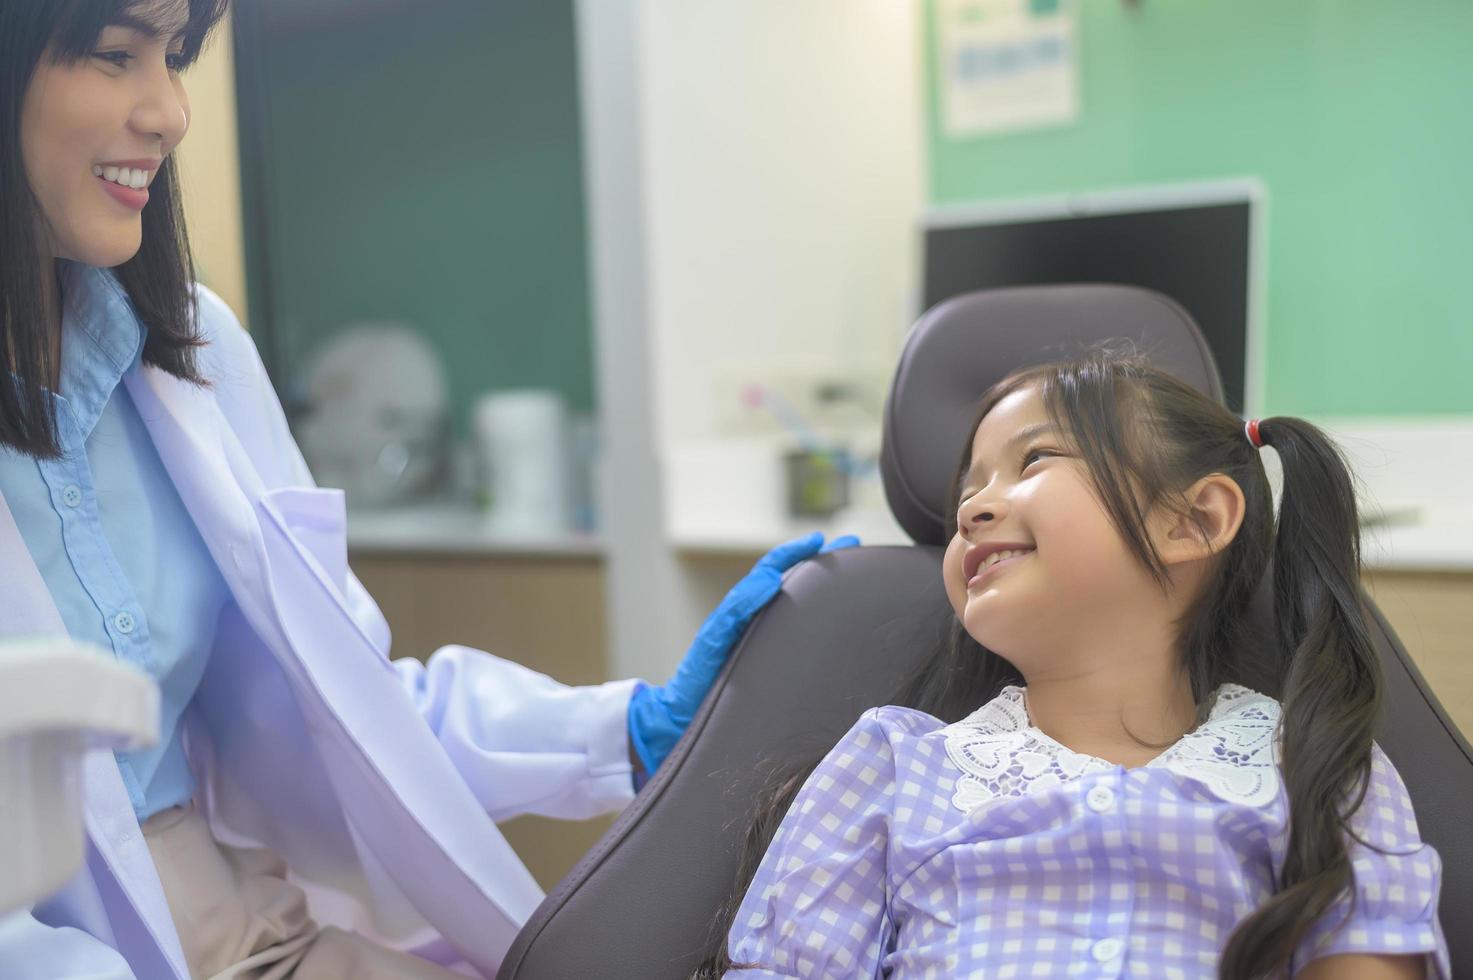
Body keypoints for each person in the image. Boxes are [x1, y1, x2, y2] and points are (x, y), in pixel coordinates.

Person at [0, 2, 854, 977]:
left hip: (238, 930)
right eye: (115, 55)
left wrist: (625, 729)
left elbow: (346, 705)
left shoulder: (185, 354)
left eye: (176, 57)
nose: (169, 112)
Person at [700, 351, 1449, 979]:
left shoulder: (1315, 765)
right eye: (969, 490)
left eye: (1034, 459)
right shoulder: (892, 767)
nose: (971, 509)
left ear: (1191, 521)